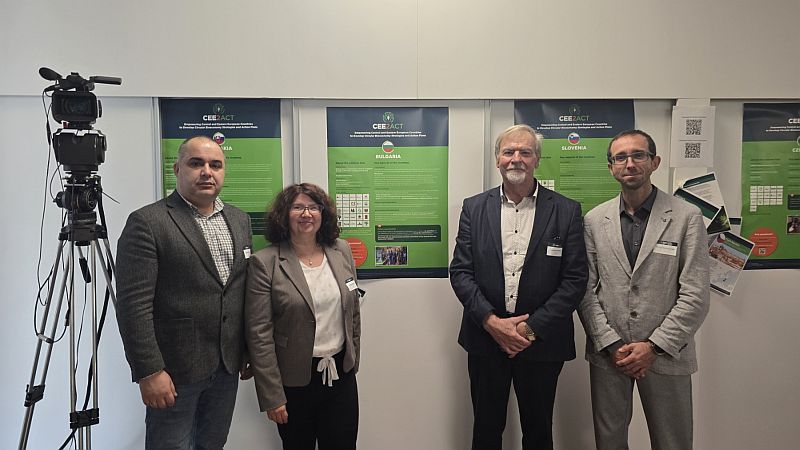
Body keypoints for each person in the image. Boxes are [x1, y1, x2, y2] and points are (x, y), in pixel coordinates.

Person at [450, 124, 588, 450]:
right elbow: (461, 272)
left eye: (525, 152)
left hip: (541, 343)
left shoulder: (566, 211)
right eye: (509, 151)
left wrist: (528, 329)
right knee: (486, 430)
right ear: (497, 159)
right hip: (486, 339)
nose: (516, 159)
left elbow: (574, 280)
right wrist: (492, 323)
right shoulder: (474, 208)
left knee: (538, 432)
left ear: (537, 159)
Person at [115, 135, 253, 449]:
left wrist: (247, 350)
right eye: (196, 163)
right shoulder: (148, 222)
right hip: (174, 370)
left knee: (212, 445)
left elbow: (238, 292)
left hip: (226, 366)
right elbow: (133, 306)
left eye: (215, 165)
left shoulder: (239, 220)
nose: (207, 172)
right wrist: (149, 371)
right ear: (177, 169)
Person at [577, 129, 710, 450]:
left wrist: (654, 347)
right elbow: (585, 290)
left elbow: (695, 295)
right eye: (620, 157)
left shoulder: (686, 217)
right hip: (611, 354)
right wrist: (610, 342)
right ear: (611, 167)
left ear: (654, 162)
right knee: (609, 442)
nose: (630, 163)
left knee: (673, 442)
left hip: (666, 352)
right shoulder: (594, 220)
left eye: (638, 155)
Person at [245, 183, 361, 450]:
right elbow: (259, 335)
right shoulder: (266, 262)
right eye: (297, 207)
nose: (306, 214)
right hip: (293, 381)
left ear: (323, 213)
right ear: (284, 215)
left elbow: (352, 309)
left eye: (313, 207)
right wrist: (272, 395)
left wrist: (353, 357)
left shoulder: (341, 250)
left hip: (341, 374)